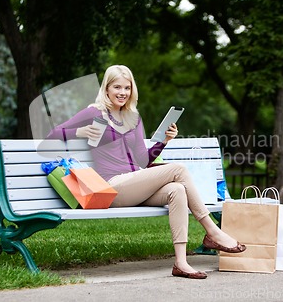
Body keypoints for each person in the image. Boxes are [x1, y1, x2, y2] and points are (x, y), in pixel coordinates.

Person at [47, 65, 246, 279]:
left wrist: (164, 141)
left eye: (127, 87)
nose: (122, 92)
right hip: (112, 187)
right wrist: (80, 131)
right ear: (106, 88)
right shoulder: (94, 113)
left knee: (177, 189)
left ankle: (181, 263)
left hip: (135, 185)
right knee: (178, 169)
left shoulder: (134, 118)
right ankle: (212, 231)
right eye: (117, 87)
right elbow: (53, 135)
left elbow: (143, 160)